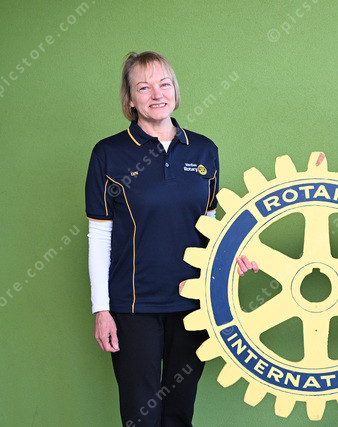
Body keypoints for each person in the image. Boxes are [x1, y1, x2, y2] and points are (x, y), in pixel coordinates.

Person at [85, 51, 219, 426]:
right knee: (140, 417)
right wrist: (101, 310)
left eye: (164, 84)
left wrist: (232, 256)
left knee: (179, 413)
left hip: (193, 304)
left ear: (174, 90)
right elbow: (99, 236)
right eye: (143, 87)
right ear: (130, 99)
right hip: (133, 307)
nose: (156, 94)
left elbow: (210, 226)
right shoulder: (108, 154)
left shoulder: (204, 150)